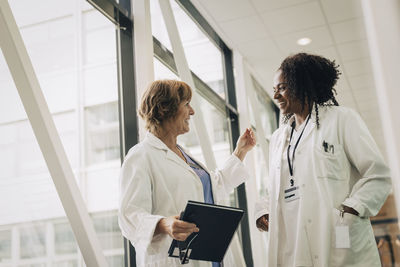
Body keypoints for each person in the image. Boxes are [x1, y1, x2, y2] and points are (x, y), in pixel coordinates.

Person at [255, 53, 392, 266]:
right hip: (293, 240)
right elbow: (274, 189)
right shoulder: (277, 139)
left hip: (336, 237)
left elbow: (378, 175)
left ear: (301, 85)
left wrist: (351, 210)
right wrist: (264, 210)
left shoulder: (342, 119)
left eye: (281, 88)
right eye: (274, 90)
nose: (276, 96)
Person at [118, 79, 256, 267]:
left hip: (208, 256)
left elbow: (212, 190)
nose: (192, 111)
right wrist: (162, 224)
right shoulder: (141, 155)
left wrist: (241, 152)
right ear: (164, 108)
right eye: (186, 104)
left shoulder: (184, 154)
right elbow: (128, 215)